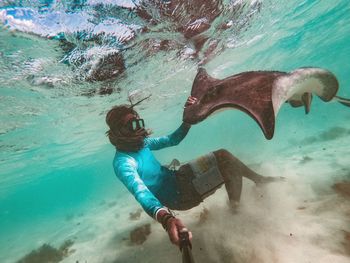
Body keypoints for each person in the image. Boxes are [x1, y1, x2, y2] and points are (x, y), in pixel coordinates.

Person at [105, 96, 277, 246]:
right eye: (131, 126)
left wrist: (188, 117)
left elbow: (173, 139)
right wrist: (167, 219)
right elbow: (140, 192)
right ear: (118, 132)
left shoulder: (143, 144)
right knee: (228, 167)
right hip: (181, 195)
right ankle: (235, 212)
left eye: (138, 123)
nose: (138, 129)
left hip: (179, 175)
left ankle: (258, 180)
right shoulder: (123, 162)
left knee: (223, 155)